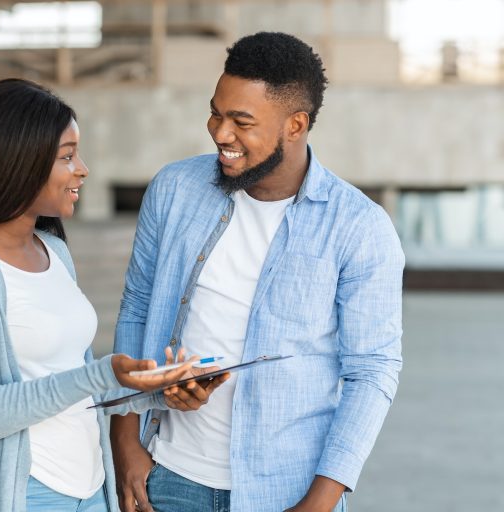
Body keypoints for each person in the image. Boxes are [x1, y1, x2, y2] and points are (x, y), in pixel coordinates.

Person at [110, 32, 404, 512]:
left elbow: (372, 371)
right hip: (169, 476)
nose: (220, 133)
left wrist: (319, 502)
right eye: (216, 113)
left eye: (241, 122)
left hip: (289, 491)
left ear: (295, 124)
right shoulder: (173, 190)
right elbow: (138, 307)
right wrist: (124, 441)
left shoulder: (359, 227)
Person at [0, 78, 216, 512]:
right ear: (16, 162)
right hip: (28, 494)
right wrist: (104, 373)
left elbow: (71, 378)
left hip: (90, 487)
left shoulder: (55, 251)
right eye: (67, 156)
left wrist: (157, 391)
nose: (82, 169)